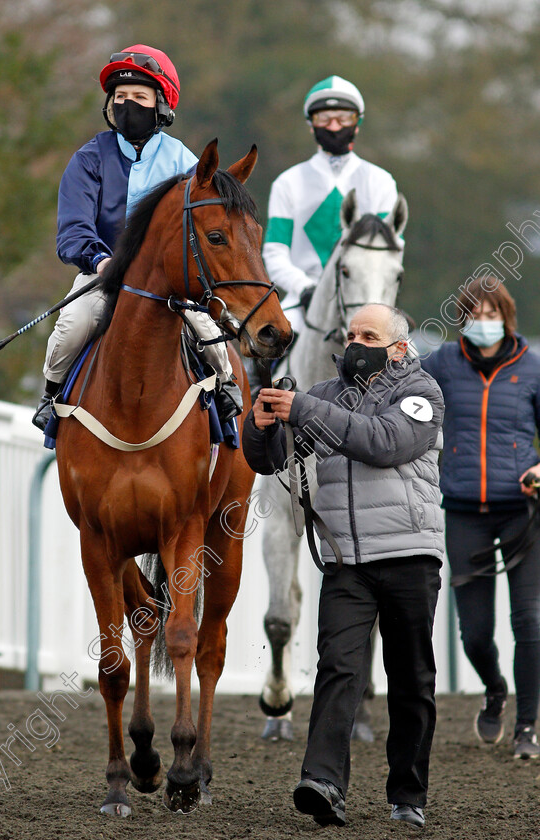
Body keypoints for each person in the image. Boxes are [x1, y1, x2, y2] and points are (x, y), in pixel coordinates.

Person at [243, 303, 445, 828]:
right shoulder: (324, 397)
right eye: (352, 331)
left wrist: (301, 409)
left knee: (411, 679)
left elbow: (383, 443)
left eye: (368, 334)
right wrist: (261, 424)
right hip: (346, 561)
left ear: (398, 346)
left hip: (409, 556)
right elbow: (270, 460)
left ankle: (407, 795)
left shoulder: (421, 393)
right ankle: (324, 783)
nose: (354, 340)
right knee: (338, 669)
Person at [32, 44, 242, 431]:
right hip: (102, 275)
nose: (128, 104)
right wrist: (102, 262)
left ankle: (228, 390)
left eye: (140, 97)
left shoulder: (184, 162)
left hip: (169, 285)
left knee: (209, 331)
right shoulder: (88, 159)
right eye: (120, 97)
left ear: (161, 105)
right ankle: (51, 398)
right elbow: (73, 229)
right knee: (73, 322)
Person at [422, 278, 540, 759]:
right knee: (474, 633)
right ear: (462, 319)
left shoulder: (531, 368)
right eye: (475, 313)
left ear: (506, 317)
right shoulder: (444, 364)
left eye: (492, 313)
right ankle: (495, 689)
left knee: (530, 621)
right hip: (465, 511)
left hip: (522, 514)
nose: (484, 321)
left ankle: (527, 728)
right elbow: (403, 390)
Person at [262, 76, 399, 336]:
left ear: (357, 123)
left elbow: (393, 250)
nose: (334, 126)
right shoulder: (288, 182)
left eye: (343, 118)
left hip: (366, 299)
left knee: (409, 360)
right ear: (311, 125)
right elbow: (275, 252)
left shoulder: (381, 181)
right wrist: (304, 288)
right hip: (304, 302)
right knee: (262, 350)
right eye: (324, 119)